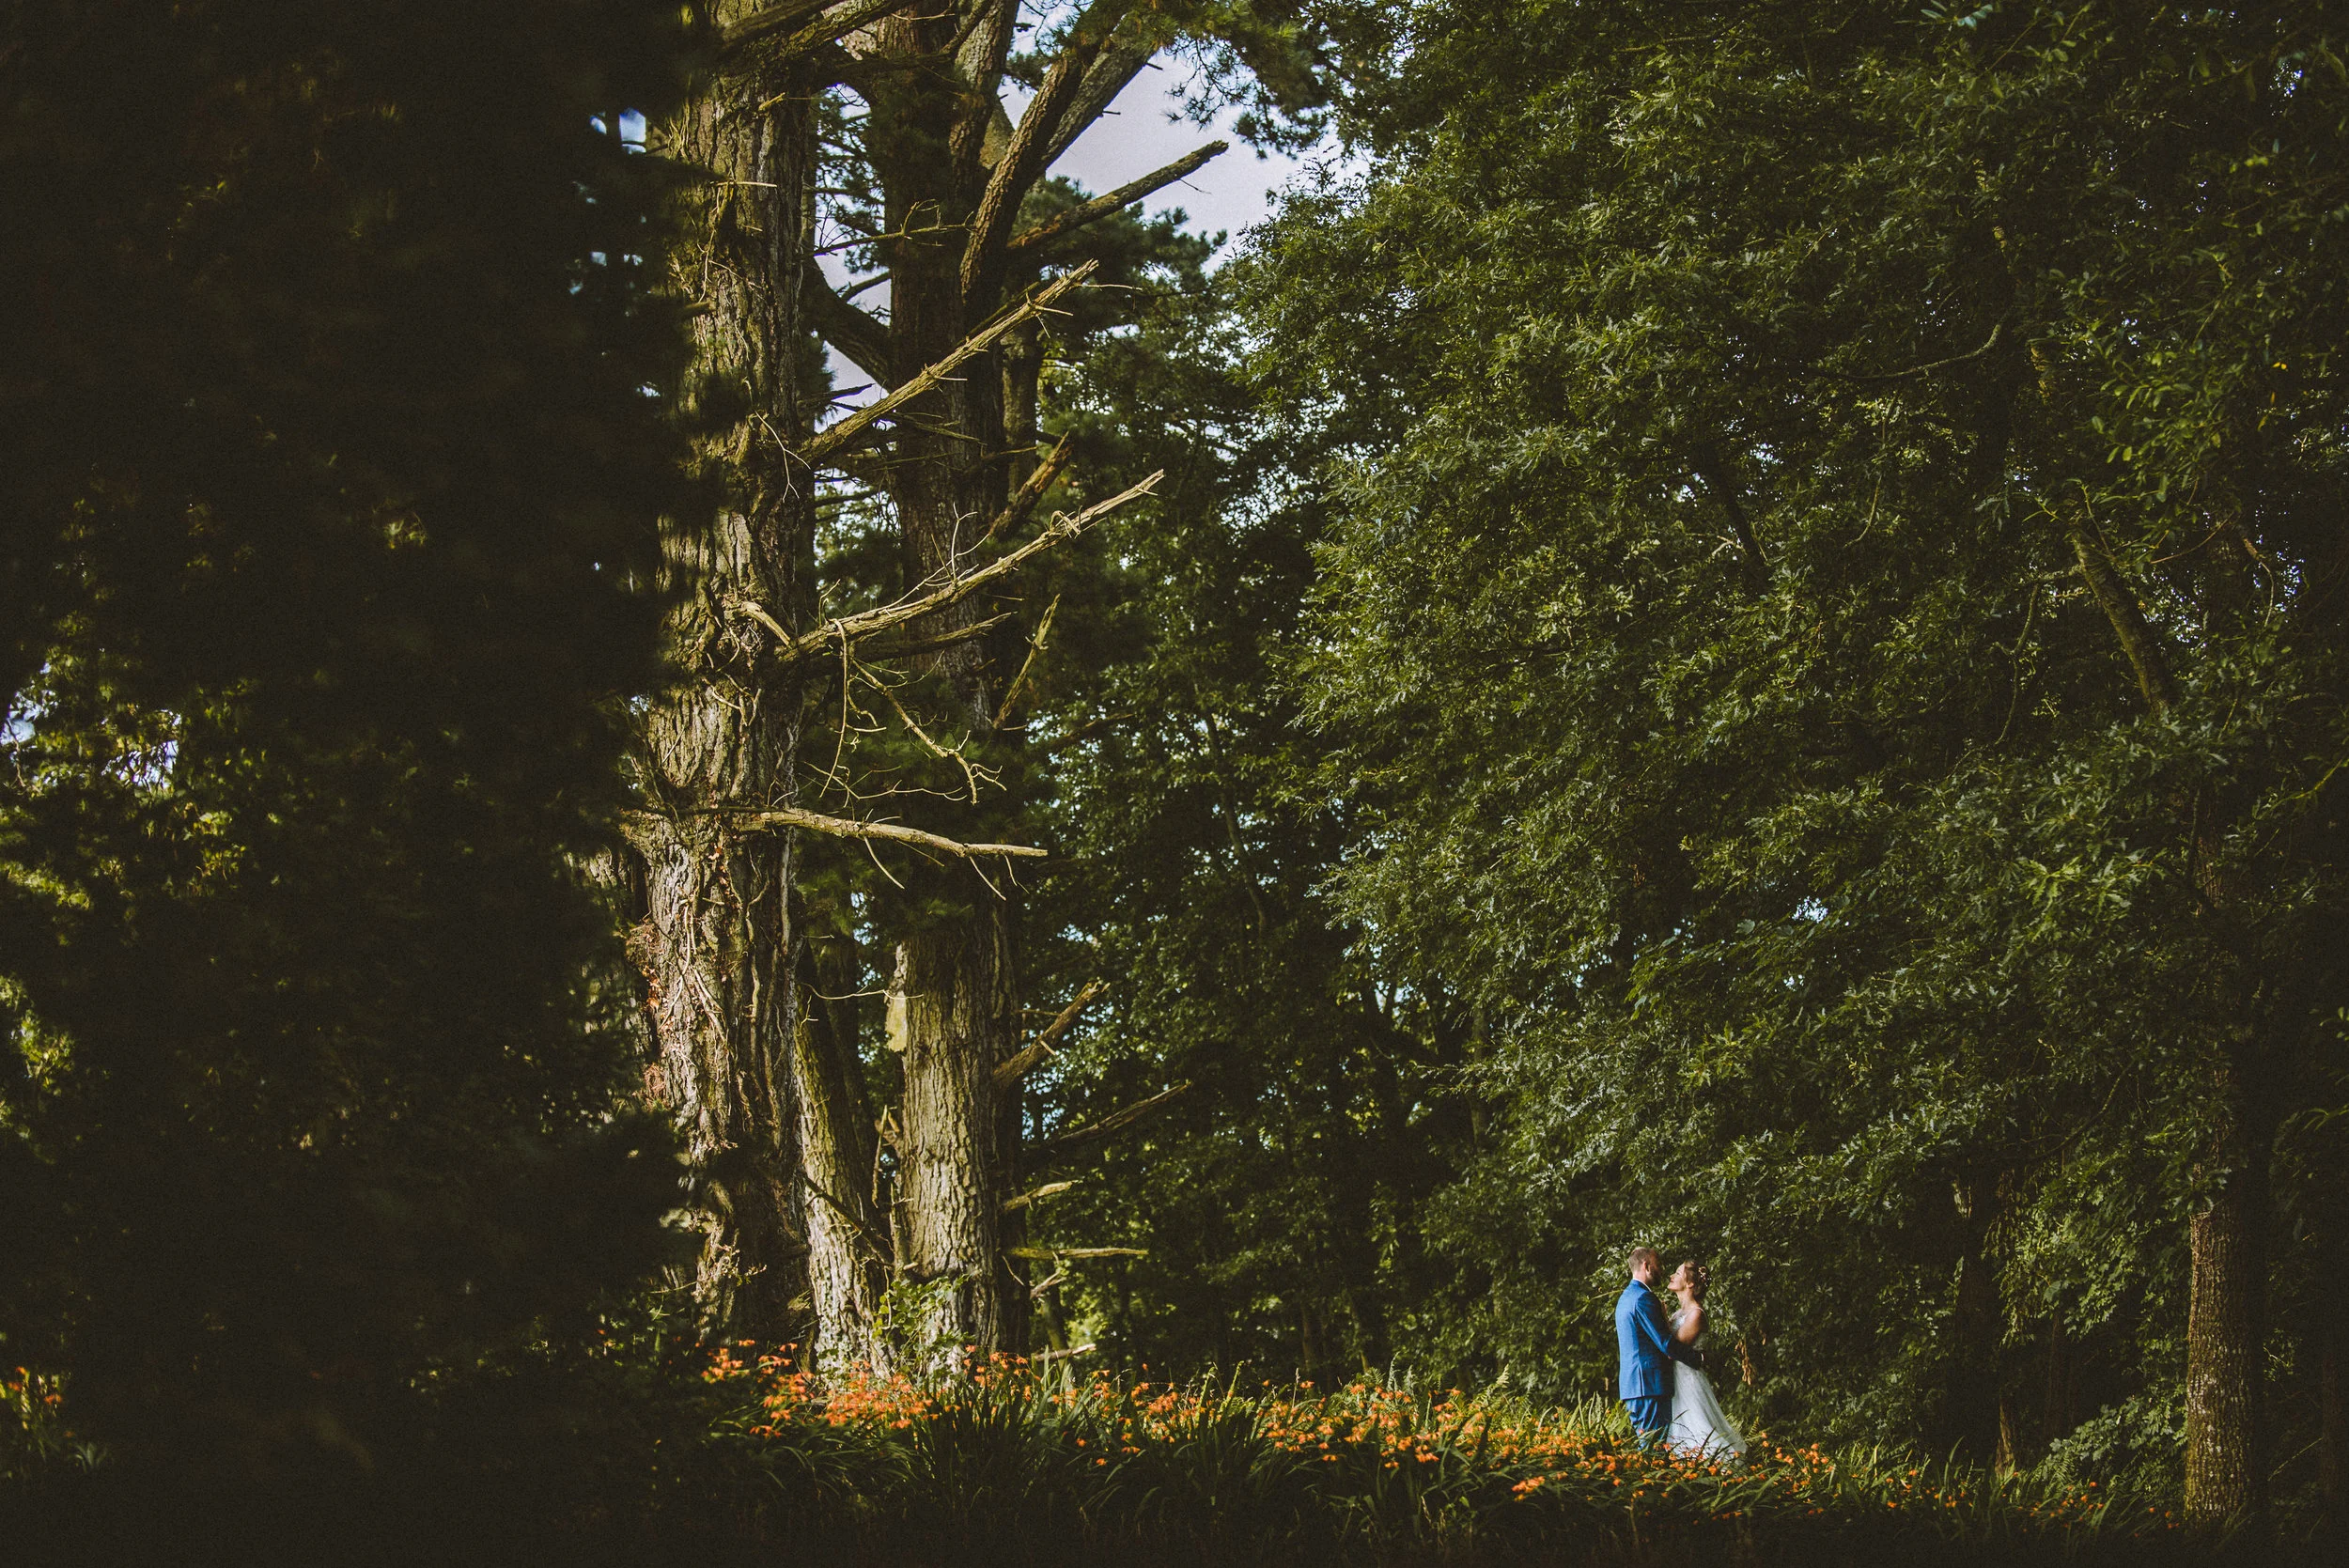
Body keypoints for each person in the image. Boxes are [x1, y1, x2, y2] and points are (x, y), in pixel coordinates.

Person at [1614, 1246, 1700, 1446]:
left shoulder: (1626, 1297)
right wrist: (1698, 1359)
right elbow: (1665, 1343)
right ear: (1646, 1266)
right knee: (1655, 1454)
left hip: (1635, 1387)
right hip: (1649, 1387)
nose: (1661, 1270)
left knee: (1650, 1451)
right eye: (1658, 1265)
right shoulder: (1644, 1298)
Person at [1664, 1260, 1747, 1459]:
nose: (1671, 1276)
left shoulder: (1696, 1315)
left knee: (1696, 1424)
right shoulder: (1678, 1314)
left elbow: (1672, 1348)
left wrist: (1660, 1314)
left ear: (1690, 1284)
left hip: (1688, 1379)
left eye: (1677, 1273)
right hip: (1675, 1377)